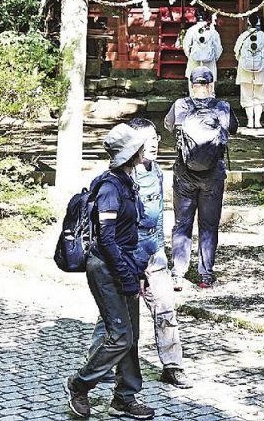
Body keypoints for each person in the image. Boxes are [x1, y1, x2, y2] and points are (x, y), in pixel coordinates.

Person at [87, 118, 192, 391]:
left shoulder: (156, 171)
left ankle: (173, 366)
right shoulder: (118, 179)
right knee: (113, 316)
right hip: (127, 256)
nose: (155, 143)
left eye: (156, 137)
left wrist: (159, 248)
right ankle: (99, 365)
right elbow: (113, 230)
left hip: (152, 253)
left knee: (165, 308)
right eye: (148, 140)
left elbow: (157, 216)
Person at [65, 123, 155, 420]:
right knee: (119, 336)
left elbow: (130, 236)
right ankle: (79, 385)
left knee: (131, 336)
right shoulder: (109, 187)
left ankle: (124, 398)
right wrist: (127, 275)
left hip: (124, 266)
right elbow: (107, 239)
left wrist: (136, 273)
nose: (146, 150)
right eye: (141, 147)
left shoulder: (127, 181)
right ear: (132, 153)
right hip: (105, 269)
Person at [165, 66, 238, 290]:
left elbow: (169, 127)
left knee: (182, 224)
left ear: (191, 85)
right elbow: (233, 129)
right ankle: (205, 275)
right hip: (213, 176)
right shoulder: (223, 107)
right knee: (208, 226)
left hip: (184, 175)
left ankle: (178, 273)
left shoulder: (180, 106)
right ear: (211, 85)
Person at [234, 13, 264, 129]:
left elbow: (236, 52)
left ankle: (249, 121)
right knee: (260, 94)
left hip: (245, 70)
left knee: (247, 95)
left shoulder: (243, 36)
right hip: (261, 70)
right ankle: (257, 122)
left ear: (248, 22)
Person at [182, 11, 222, 93]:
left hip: (194, 59)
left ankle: (194, 98)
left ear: (196, 17)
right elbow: (218, 47)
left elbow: (186, 46)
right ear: (207, 18)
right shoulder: (212, 31)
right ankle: (209, 99)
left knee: (194, 79)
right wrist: (215, 58)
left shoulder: (191, 30)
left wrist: (190, 56)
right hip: (209, 60)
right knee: (209, 80)